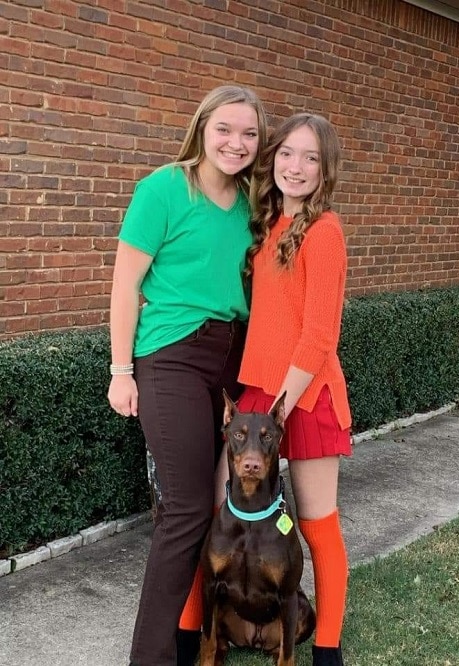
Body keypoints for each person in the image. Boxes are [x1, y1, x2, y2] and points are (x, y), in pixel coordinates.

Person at [107, 85, 267, 666]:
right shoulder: (163, 189)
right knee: (185, 509)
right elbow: (126, 285)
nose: (236, 143)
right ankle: (150, 658)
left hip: (232, 358)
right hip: (170, 355)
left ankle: (203, 635)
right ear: (202, 127)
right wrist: (120, 370)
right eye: (225, 128)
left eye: (249, 133)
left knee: (225, 501)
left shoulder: (253, 202)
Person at [236, 113, 352, 666]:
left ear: (325, 169)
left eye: (311, 158)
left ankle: (327, 650)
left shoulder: (323, 230)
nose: (296, 167)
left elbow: (320, 334)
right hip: (257, 394)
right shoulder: (266, 225)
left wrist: (280, 409)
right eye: (287, 153)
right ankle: (196, 637)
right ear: (272, 158)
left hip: (303, 397)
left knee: (316, 524)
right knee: (226, 515)